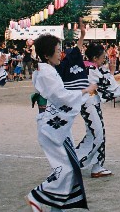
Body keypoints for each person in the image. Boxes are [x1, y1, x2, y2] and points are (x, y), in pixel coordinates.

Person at [25, 34, 97, 212]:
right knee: (66, 169)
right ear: (48, 54)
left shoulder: (47, 70)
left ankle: (55, 207)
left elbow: (62, 96)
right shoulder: (46, 72)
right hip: (51, 126)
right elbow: (62, 97)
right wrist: (85, 91)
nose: (60, 54)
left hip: (57, 125)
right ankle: (38, 196)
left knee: (69, 167)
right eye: (58, 51)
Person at [76, 42, 120, 179]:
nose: (103, 60)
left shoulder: (88, 67)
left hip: (90, 104)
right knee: (97, 134)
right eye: (102, 57)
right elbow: (105, 82)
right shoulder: (91, 69)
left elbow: (104, 79)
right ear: (94, 58)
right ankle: (75, 163)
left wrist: (110, 71)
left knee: (95, 134)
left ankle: (94, 165)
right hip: (89, 104)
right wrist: (111, 72)